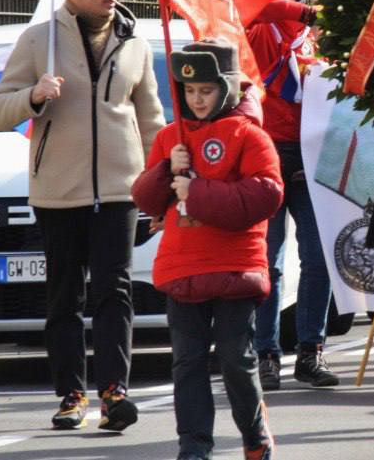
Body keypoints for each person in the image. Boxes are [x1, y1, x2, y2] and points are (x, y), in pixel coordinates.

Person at [0, 0, 165, 431]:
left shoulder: (136, 42)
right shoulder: (38, 41)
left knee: (115, 290)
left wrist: (160, 185)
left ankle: (114, 393)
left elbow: (151, 120)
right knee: (65, 296)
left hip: (119, 190)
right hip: (58, 192)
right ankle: (70, 394)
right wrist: (33, 95)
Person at [132, 39, 283, 460]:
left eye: (207, 91)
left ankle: (254, 436)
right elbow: (145, 199)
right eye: (190, 91)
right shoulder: (169, 137)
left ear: (228, 89)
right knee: (188, 364)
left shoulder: (251, 136)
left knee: (237, 360)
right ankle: (194, 447)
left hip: (235, 266)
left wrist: (196, 191)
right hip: (183, 268)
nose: (197, 99)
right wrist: (166, 170)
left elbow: (265, 195)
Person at [247, 0, 339, 389]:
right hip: (267, 153)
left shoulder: (319, 33)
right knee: (269, 259)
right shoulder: (261, 23)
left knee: (319, 258)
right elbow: (258, 6)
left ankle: (311, 351)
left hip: (313, 152)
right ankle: (266, 352)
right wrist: (309, 11)